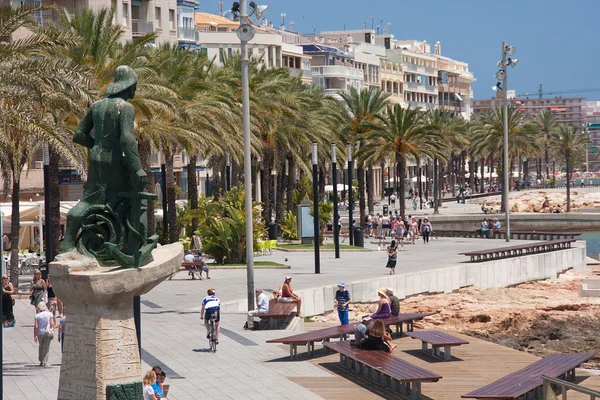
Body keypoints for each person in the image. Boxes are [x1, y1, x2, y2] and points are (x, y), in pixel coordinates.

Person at [34, 301, 55, 367]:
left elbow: (36, 326)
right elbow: (52, 324)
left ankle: (41, 361)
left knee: (41, 346)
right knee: (46, 347)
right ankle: (45, 362)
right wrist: (52, 332)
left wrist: (35, 335)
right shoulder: (49, 314)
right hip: (47, 332)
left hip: (40, 333)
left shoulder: (37, 316)